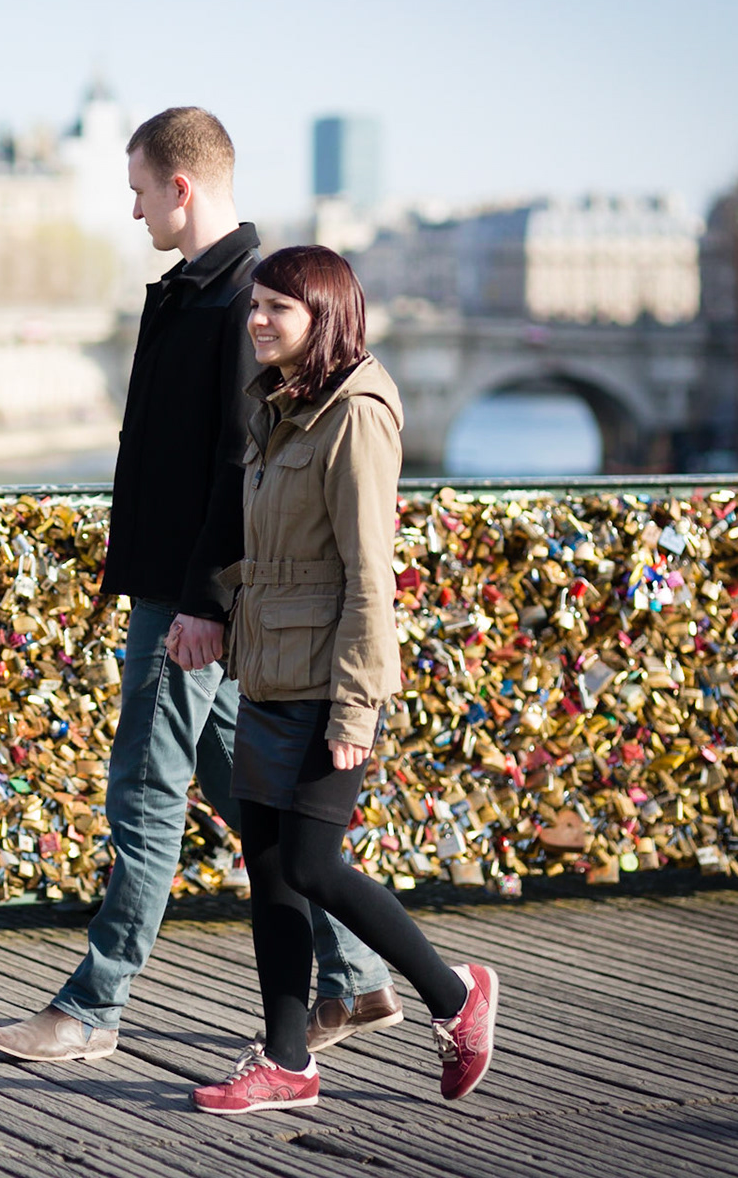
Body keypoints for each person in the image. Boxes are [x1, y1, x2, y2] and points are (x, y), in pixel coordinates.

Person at [0, 109, 401, 1065]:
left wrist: (205, 602)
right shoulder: (194, 292)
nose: (131, 211)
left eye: (137, 190)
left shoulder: (239, 304)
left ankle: (93, 1008)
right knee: (235, 786)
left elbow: (232, 466)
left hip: (186, 596)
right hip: (169, 585)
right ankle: (355, 975)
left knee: (143, 794)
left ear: (182, 187)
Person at [190, 246, 499, 1115]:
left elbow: (371, 573)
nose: (258, 321)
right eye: (256, 306)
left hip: (330, 682)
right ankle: (286, 1062)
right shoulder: (281, 407)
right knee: (272, 869)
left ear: (322, 316)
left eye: (277, 310)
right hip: (270, 670)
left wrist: (357, 707)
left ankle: (457, 996)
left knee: (316, 866)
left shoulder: (356, 415)